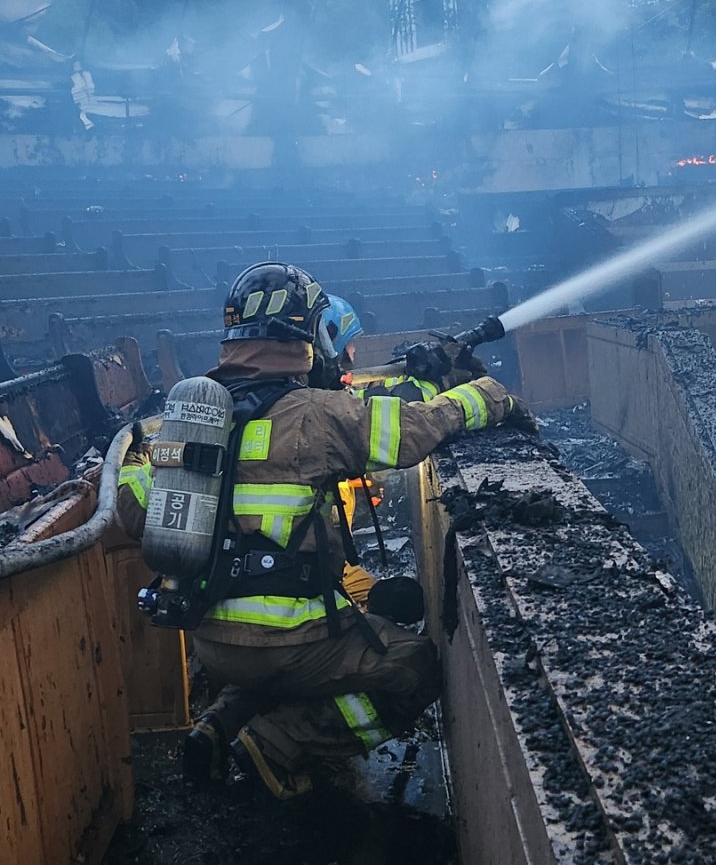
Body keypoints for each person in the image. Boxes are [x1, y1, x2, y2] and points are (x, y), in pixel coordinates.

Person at [117, 262, 535, 800]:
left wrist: (133, 458)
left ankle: (218, 726)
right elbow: (414, 429)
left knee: (280, 659)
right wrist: (487, 395)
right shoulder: (313, 417)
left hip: (209, 640)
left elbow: (135, 514)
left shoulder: (192, 416)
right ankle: (278, 744)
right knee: (415, 668)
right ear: (310, 334)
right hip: (288, 642)